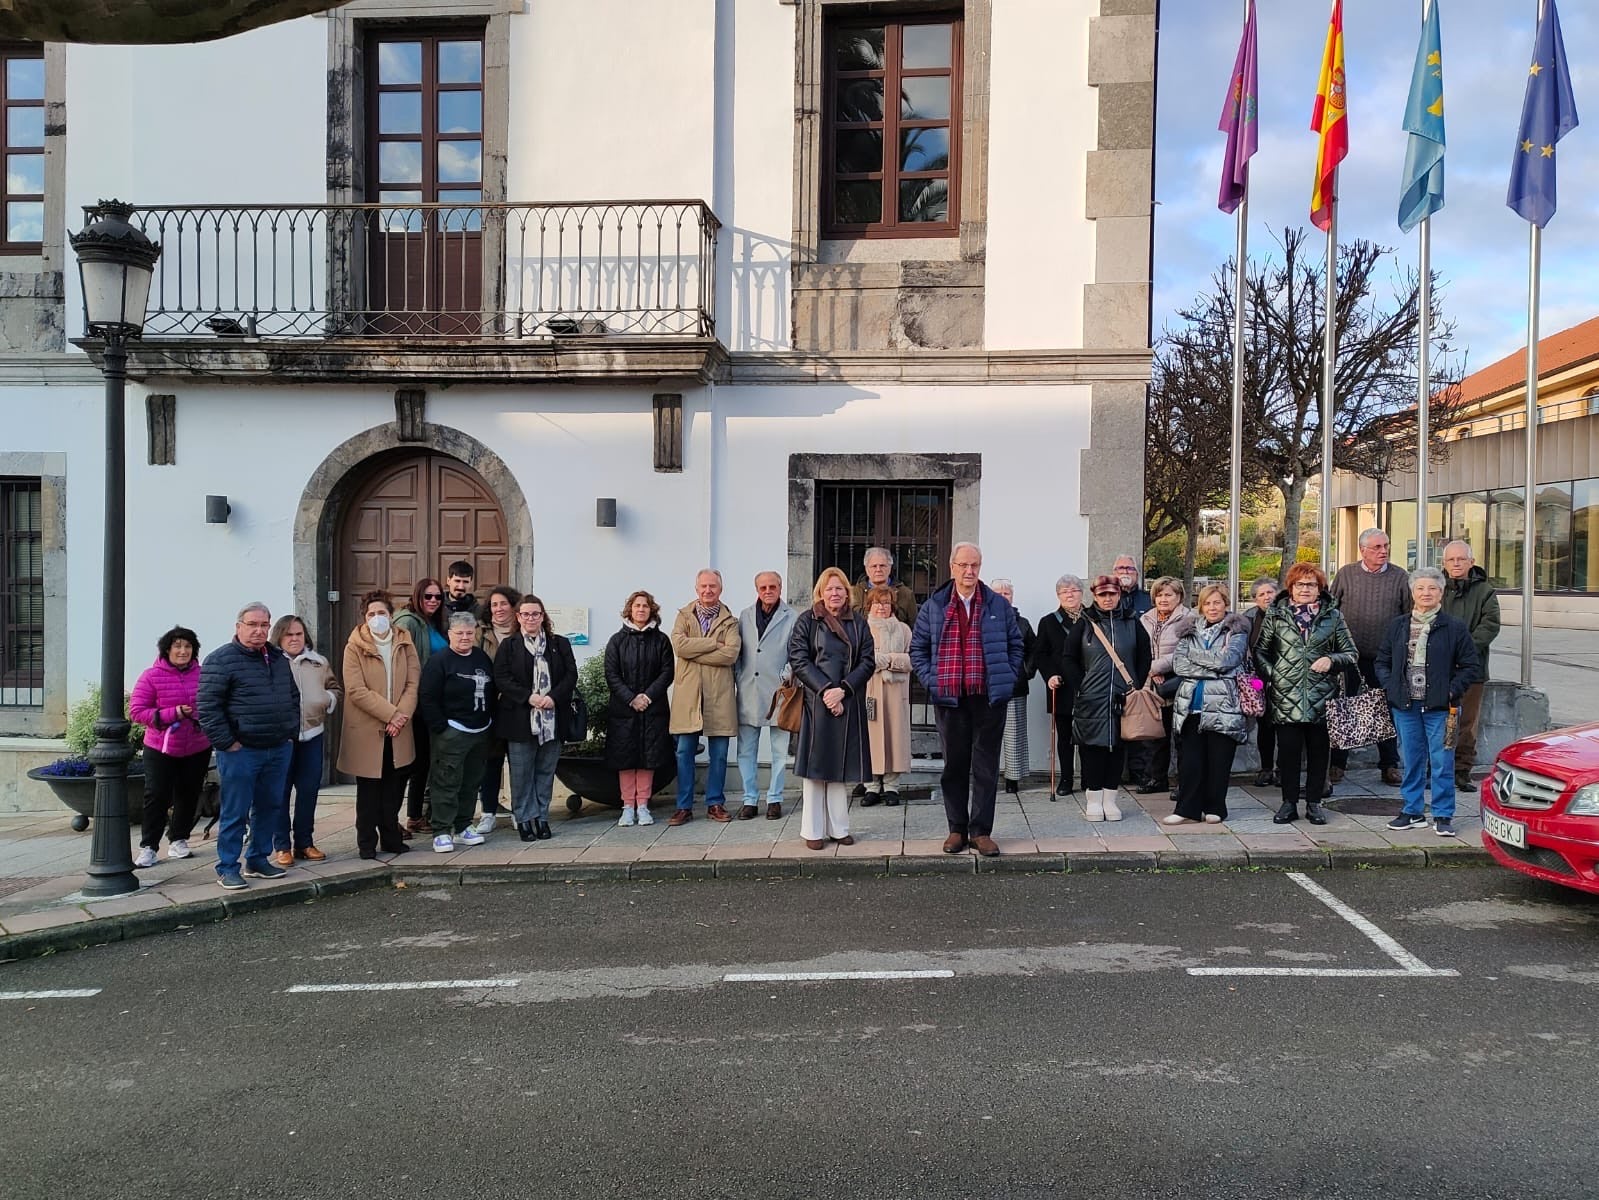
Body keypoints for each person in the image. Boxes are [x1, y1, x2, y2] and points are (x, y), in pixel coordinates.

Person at [910, 542, 1024, 857]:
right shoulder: (934, 606)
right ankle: (957, 830)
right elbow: (918, 650)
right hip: (951, 700)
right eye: (963, 565)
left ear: (980, 567)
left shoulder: (997, 605)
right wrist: (932, 681)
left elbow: (1016, 645)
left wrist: (1008, 677)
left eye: (974, 565)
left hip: (989, 699)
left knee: (986, 768)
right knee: (955, 767)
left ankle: (981, 831)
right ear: (952, 567)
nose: (969, 571)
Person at [196, 602, 300, 890]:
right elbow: (207, 708)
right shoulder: (221, 660)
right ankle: (228, 866)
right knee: (235, 811)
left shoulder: (278, 659)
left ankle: (257, 858)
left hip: (277, 747)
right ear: (238, 626)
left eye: (264, 625)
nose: (258, 630)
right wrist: (227, 743)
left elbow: (292, 697)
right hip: (241, 751)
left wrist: (291, 732)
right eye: (252, 625)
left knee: (270, 806)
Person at [1375, 566, 1481, 839]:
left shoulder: (1454, 627)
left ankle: (1443, 815)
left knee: (1442, 761)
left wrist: (1450, 690)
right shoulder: (1398, 625)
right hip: (1406, 706)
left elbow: (1470, 665)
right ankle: (1412, 810)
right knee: (1411, 760)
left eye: (1432, 588)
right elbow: (1382, 661)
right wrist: (1391, 687)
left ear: (1441, 593)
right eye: (1420, 588)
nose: (1426, 593)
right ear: (1412, 592)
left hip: (1441, 709)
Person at [1253, 563, 1356, 826]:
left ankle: (1314, 804)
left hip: (1322, 696)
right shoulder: (1276, 615)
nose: (1305, 589)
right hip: (1285, 697)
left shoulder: (1333, 617)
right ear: (1291, 587)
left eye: (1311, 584)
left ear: (1320, 588)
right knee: (1287, 754)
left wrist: (1331, 660)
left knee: (1319, 753)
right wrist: (1274, 675)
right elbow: (1260, 652)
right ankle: (1288, 803)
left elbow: (1351, 653)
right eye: (1300, 584)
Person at [789, 567, 876, 849]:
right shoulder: (807, 621)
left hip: (848, 700)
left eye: (839, 588)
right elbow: (799, 659)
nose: (834, 593)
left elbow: (868, 661)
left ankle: (839, 829)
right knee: (816, 769)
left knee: (840, 769)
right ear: (820, 593)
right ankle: (812, 831)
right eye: (829, 589)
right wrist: (827, 691)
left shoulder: (859, 623)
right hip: (817, 703)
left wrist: (844, 690)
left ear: (847, 592)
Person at [338, 591, 420, 859]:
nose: (377, 619)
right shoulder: (354, 646)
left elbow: (412, 683)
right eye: (371, 614)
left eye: (381, 613)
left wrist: (401, 716)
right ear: (365, 617)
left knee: (393, 789)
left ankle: (391, 838)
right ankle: (366, 843)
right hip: (368, 728)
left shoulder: (404, 642)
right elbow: (356, 689)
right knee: (369, 791)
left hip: (398, 729)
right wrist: (390, 715)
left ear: (391, 614)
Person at [1062, 575, 1151, 823]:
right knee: (1092, 749)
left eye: (1112, 594)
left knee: (1117, 749)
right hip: (1091, 698)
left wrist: (1137, 684)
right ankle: (1093, 799)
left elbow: (1145, 654)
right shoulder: (1085, 623)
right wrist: (1082, 685)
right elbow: (1068, 657)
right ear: (1095, 596)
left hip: (1124, 697)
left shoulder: (1132, 621)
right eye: (1103, 594)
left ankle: (1110, 800)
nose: (1108, 598)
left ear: (1119, 594)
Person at [1162, 586, 1252, 825]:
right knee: (1190, 762)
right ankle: (1186, 809)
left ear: (1225, 604)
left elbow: (1228, 660)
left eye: (1217, 603)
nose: (1212, 608)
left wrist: (1198, 659)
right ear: (1200, 606)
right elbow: (1179, 665)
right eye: (1207, 603)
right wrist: (1213, 667)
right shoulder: (1188, 631)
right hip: (1191, 706)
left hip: (1224, 706)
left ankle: (1216, 808)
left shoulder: (1237, 630)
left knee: (1218, 761)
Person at [1329, 528, 1410, 786]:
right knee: (1345, 708)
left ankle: (1389, 765)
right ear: (1362, 549)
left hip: (1385, 659)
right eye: (1376, 547)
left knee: (1384, 710)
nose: (1383, 551)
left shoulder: (1400, 577)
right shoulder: (1346, 574)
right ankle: (1337, 764)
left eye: (1385, 545)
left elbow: (1409, 616)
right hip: (1349, 658)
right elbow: (1331, 610)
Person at [495, 594, 578, 841]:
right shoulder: (509, 646)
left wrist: (553, 697)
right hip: (520, 720)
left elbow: (571, 675)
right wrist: (528, 697)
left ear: (543, 616)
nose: (531, 618)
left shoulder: (559, 644)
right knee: (521, 774)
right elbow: (502, 678)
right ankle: (524, 819)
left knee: (545, 771)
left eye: (536, 614)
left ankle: (542, 818)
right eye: (526, 614)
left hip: (552, 719)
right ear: (518, 617)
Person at [129, 626, 211, 867]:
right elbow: (137, 711)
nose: (183, 651)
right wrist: (171, 714)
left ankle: (179, 840)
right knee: (157, 795)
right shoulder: (150, 676)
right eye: (178, 646)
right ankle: (148, 847)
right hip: (160, 747)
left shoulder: (203, 675)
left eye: (188, 646)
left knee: (189, 793)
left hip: (196, 744)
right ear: (167, 650)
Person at [420, 611, 498, 853]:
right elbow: (428, 697)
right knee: (446, 781)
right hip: (452, 731)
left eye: (469, 632)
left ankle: (464, 825)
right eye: (459, 633)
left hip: (480, 730)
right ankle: (442, 830)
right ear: (450, 635)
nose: (465, 637)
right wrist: (442, 728)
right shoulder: (439, 661)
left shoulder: (481, 658)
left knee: (471, 781)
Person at [668, 569, 741, 826]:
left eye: (713, 586)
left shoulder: (730, 621)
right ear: (696, 588)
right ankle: (684, 806)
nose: (708, 590)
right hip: (689, 695)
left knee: (719, 754)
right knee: (684, 751)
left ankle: (715, 803)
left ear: (720, 589)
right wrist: (713, 644)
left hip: (719, 695)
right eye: (703, 586)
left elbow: (730, 655)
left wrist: (694, 648)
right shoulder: (684, 616)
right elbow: (679, 646)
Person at [270, 614, 340, 865]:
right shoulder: (270, 662)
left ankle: (304, 842)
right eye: (289, 634)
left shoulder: (318, 662)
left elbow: (334, 687)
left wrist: (327, 700)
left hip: (312, 734)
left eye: (299, 634)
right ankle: (281, 845)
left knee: (309, 790)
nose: (294, 639)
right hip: (281, 738)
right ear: (279, 636)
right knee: (280, 792)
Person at [604, 590, 675, 826]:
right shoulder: (617, 640)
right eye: (637, 606)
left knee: (648, 758)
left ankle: (643, 805)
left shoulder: (661, 640)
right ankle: (627, 807)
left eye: (645, 606)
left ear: (651, 610)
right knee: (626, 758)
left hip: (653, 710)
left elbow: (667, 672)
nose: (641, 609)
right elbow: (611, 674)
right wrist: (631, 698)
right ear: (630, 610)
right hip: (624, 711)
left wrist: (647, 696)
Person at [734, 571, 797, 820]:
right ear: (756, 589)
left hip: (778, 692)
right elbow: (739, 652)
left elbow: (796, 651)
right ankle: (750, 799)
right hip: (749, 691)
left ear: (780, 588)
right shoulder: (745, 615)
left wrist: (787, 674)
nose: (768, 591)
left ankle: (775, 798)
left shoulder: (791, 616)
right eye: (763, 587)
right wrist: (740, 676)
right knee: (746, 750)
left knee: (779, 750)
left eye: (772, 586)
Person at [1440, 540, 1501, 791]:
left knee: (1467, 722)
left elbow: (1490, 624)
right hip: (1439, 666)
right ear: (1444, 563)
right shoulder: (1436, 587)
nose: (1456, 563)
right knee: (1437, 718)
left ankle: (1462, 770)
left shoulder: (1485, 591)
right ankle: (1438, 767)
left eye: (1461, 559)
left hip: (1472, 667)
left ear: (1471, 562)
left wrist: (1464, 650)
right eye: (1451, 560)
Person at [394, 578, 447, 836]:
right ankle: (393, 819)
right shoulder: (408, 622)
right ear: (417, 596)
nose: (434, 601)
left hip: (432, 702)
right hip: (415, 702)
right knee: (407, 764)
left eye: (438, 597)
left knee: (423, 762)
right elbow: (402, 664)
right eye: (428, 596)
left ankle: (415, 816)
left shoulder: (433, 623)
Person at [1136, 577, 1193, 795]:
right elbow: (1139, 648)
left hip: (1177, 682)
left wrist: (1154, 667)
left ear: (1179, 596)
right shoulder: (1145, 618)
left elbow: (1184, 651)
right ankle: (1156, 779)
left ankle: (1183, 783)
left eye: (1168, 594)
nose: (1163, 599)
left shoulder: (1189, 618)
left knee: (1181, 737)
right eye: (1159, 595)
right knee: (1155, 736)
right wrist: (1148, 671)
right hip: (1151, 686)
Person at [472, 585, 521, 834]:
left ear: (513, 606)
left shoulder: (522, 631)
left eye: (503, 604)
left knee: (518, 761)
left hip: (517, 707)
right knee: (490, 762)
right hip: (489, 707)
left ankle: (519, 810)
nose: (498, 609)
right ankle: (488, 812)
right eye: (494, 605)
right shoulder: (481, 634)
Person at [1034, 575, 1086, 797]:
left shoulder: (1092, 618)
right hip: (1061, 686)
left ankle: (1088, 778)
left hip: (1087, 684)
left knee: (1088, 734)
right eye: (1065, 591)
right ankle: (1066, 779)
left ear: (1082, 593)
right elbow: (1040, 654)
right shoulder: (1048, 622)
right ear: (1058, 595)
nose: (1070, 594)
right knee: (1064, 736)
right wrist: (1049, 675)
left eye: (1074, 590)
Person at [864, 585, 913, 806]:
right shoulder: (863, 628)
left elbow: (911, 660)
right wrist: (886, 660)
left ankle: (892, 786)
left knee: (894, 736)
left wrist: (887, 659)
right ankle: (872, 786)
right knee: (871, 736)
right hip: (871, 689)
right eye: (877, 602)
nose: (881, 607)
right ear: (869, 605)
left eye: (885, 602)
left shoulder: (903, 630)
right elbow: (862, 659)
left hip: (896, 691)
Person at [990, 578, 1036, 795]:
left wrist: (1025, 672)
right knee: (986, 735)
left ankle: (1012, 778)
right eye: (997, 593)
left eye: (1006, 593)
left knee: (1014, 734)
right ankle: (987, 777)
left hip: (1015, 687)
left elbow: (1033, 652)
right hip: (986, 688)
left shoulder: (1023, 623)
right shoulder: (981, 619)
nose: (1002, 596)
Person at [1247, 577, 1280, 787]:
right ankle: (1266, 768)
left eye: (1270, 592)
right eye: (1262, 594)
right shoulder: (1249, 619)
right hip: (1259, 681)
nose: (1267, 597)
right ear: (1255, 599)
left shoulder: (1288, 616)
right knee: (1264, 726)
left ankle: (1283, 769)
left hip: (1286, 681)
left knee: (1285, 728)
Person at [850, 546, 918, 627]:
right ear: (867, 568)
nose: (878, 569)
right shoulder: (853, 593)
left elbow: (916, 629)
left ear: (890, 567)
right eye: (874, 566)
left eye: (882, 566)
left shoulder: (906, 594)